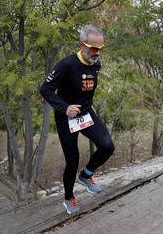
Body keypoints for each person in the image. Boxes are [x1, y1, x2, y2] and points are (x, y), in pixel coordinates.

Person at [40, 25, 115, 215]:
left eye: (100, 48)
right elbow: (45, 89)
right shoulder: (67, 65)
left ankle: (87, 174)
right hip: (67, 117)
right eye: (93, 48)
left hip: (86, 113)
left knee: (107, 146)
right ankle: (69, 198)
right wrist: (65, 107)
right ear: (82, 45)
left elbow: (85, 87)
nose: (97, 52)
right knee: (72, 160)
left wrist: (88, 104)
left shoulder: (95, 63)